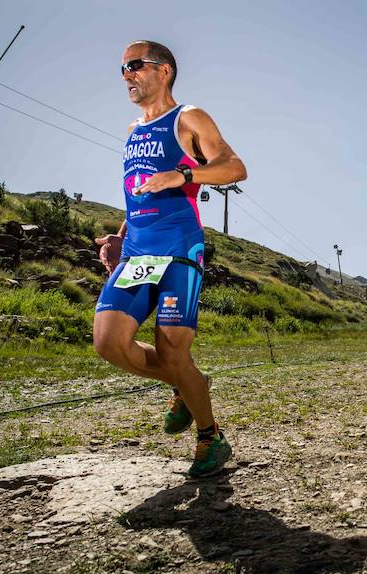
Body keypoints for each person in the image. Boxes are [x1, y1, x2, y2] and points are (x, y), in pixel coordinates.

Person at [93, 40, 247, 478]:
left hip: (179, 246)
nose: (126, 74)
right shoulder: (131, 132)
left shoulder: (188, 118)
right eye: (122, 67)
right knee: (108, 342)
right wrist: (121, 237)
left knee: (171, 349)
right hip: (138, 250)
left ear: (164, 70)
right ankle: (185, 384)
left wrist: (182, 174)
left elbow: (234, 167)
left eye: (135, 65)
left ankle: (210, 437)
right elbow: (137, 192)